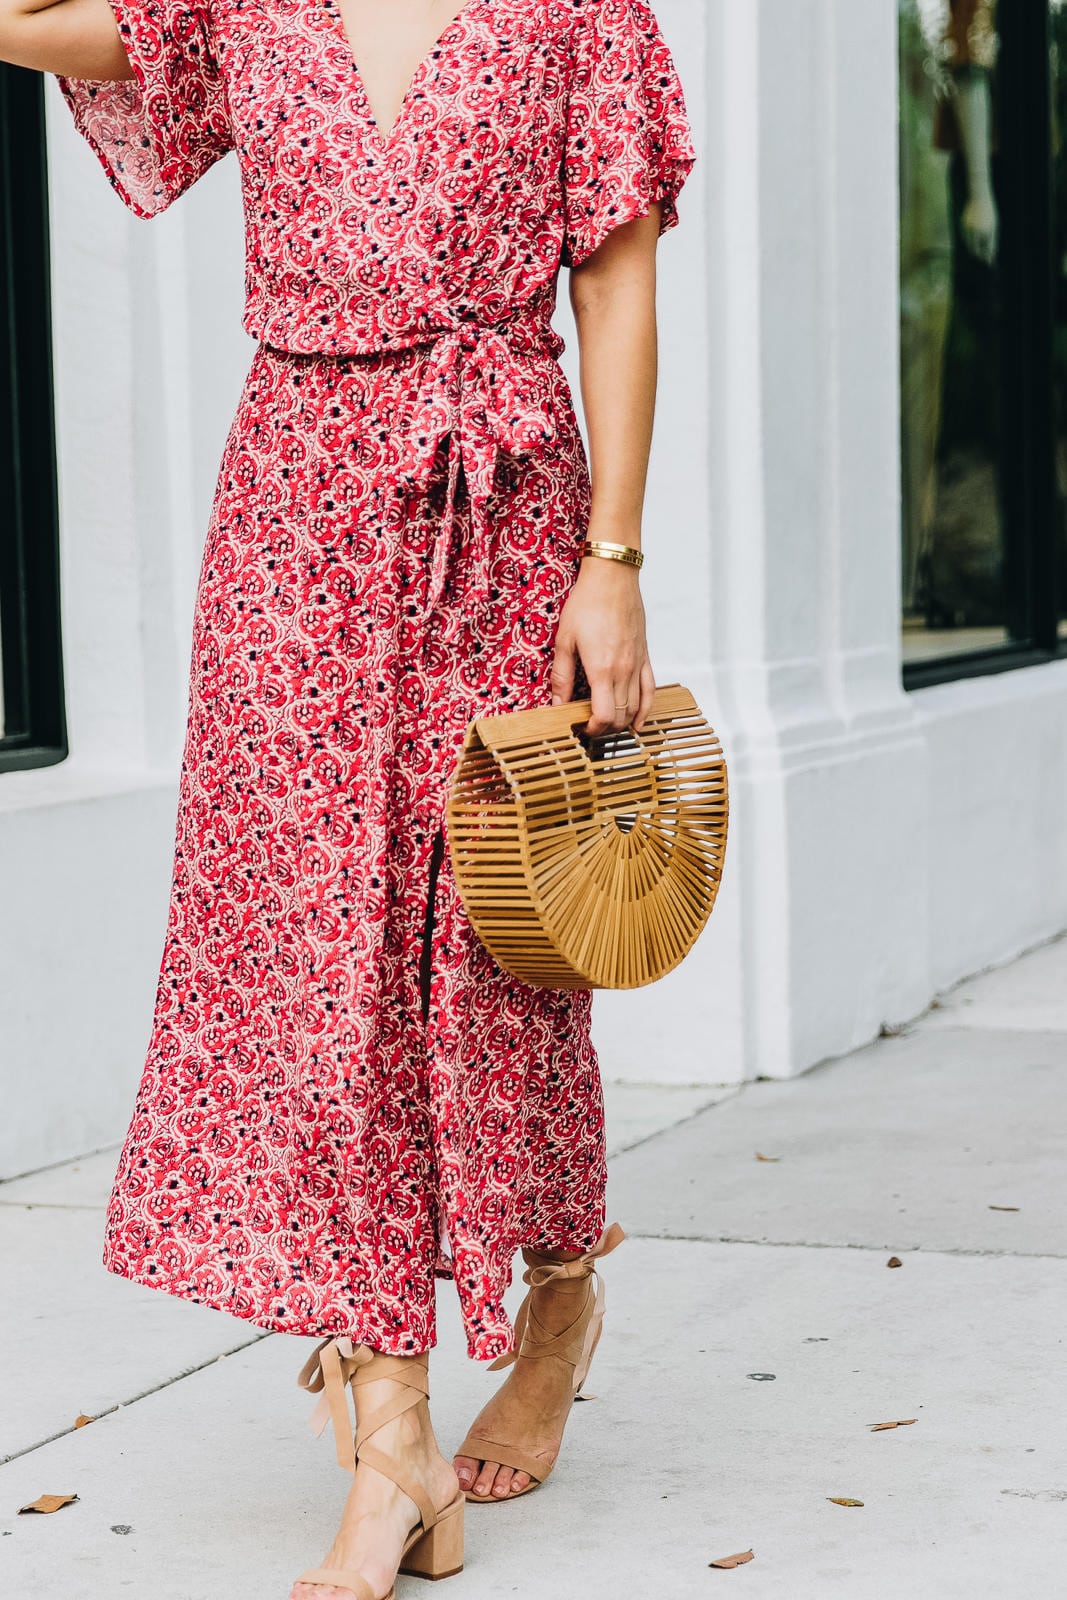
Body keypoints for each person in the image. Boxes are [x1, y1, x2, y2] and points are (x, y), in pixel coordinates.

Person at [0, 1, 696, 1595]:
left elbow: (619, 279)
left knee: (496, 958)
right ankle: (392, 1438)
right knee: (313, 971)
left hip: (501, 509)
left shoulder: (578, 12)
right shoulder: (235, 5)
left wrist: (615, 565)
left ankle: (561, 1283)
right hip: (294, 527)